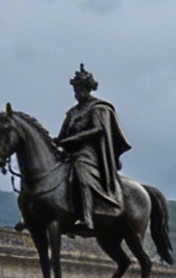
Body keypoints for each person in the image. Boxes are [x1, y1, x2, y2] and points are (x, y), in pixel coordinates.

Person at [52, 65, 131, 234]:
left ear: (87, 88)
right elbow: (62, 134)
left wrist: (71, 139)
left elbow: (98, 129)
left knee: (81, 173)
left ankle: (87, 218)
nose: (76, 92)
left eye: (79, 89)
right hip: (68, 153)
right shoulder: (72, 112)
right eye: (75, 89)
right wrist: (55, 141)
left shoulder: (98, 108)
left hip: (89, 154)